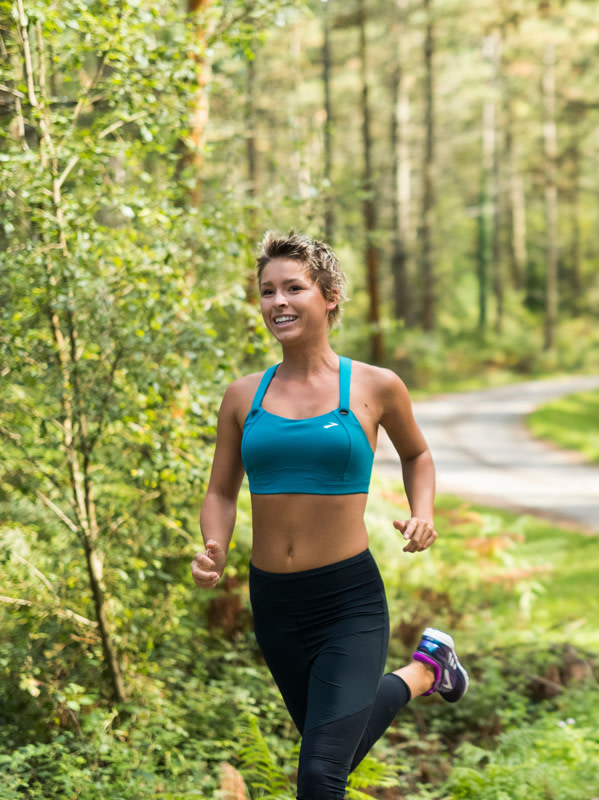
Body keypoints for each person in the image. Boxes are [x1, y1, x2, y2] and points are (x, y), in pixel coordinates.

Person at [191, 231, 469, 798]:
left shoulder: (374, 385)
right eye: (267, 291)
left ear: (330, 295)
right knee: (328, 754)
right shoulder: (243, 396)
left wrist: (424, 512)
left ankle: (426, 670)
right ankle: (426, 671)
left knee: (319, 776)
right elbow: (220, 491)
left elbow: (417, 454)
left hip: (347, 601)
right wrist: (214, 547)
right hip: (273, 603)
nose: (278, 302)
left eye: (294, 287)